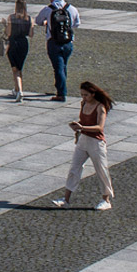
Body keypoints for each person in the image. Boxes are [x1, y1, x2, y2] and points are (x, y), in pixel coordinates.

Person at [51, 81, 116, 211]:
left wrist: (82, 127)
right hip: (83, 140)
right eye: (82, 95)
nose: (83, 97)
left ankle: (106, 200)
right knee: (74, 169)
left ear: (93, 94)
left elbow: (99, 127)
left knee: (101, 171)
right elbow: (83, 121)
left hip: (96, 143)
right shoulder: (84, 103)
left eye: (86, 95)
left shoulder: (100, 107)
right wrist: (77, 126)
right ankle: (66, 199)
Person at [33, 0, 79, 101]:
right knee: (63, 66)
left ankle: (61, 93)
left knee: (58, 67)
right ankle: (61, 88)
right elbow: (76, 24)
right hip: (68, 42)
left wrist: (46, 22)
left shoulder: (48, 9)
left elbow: (38, 21)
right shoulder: (72, 8)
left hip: (53, 42)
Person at [0, 0, 33, 101]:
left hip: (13, 43)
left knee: (15, 69)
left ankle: (19, 91)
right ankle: (17, 88)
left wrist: (5, 25)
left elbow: (8, 33)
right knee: (19, 68)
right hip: (23, 43)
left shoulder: (11, 17)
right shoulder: (29, 19)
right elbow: (31, 34)